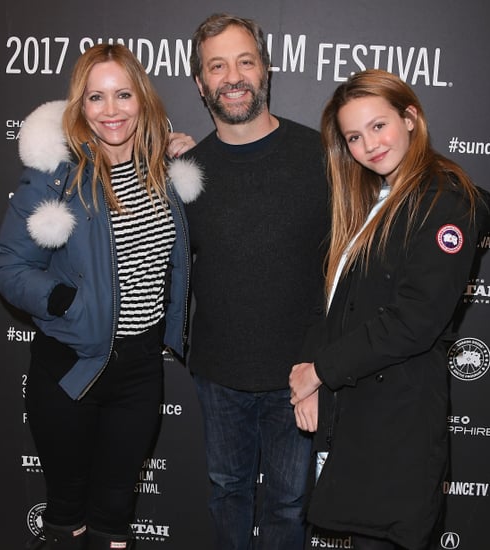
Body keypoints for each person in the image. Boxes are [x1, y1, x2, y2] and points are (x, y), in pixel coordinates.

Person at [0, 43, 200, 550]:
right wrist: (62, 301)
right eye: (96, 97)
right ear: (79, 106)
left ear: (142, 99)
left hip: (139, 368)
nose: (112, 111)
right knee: (67, 511)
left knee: (114, 516)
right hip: (71, 365)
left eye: (123, 94)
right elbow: (8, 267)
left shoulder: (164, 172)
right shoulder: (58, 173)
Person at [289, 69, 490, 550]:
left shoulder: (445, 201)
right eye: (354, 136)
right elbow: (339, 303)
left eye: (378, 126)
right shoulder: (373, 200)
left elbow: (414, 321)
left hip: (399, 423)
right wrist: (313, 375)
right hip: (360, 414)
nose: (369, 145)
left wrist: (321, 371)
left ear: (410, 118)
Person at [183, 13, 330, 550]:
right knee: (227, 493)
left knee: (289, 506)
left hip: (299, 376)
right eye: (217, 66)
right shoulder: (186, 170)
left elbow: (350, 265)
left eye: (245, 61)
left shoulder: (322, 156)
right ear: (201, 84)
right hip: (219, 375)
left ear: (266, 69)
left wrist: (320, 363)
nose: (233, 75)